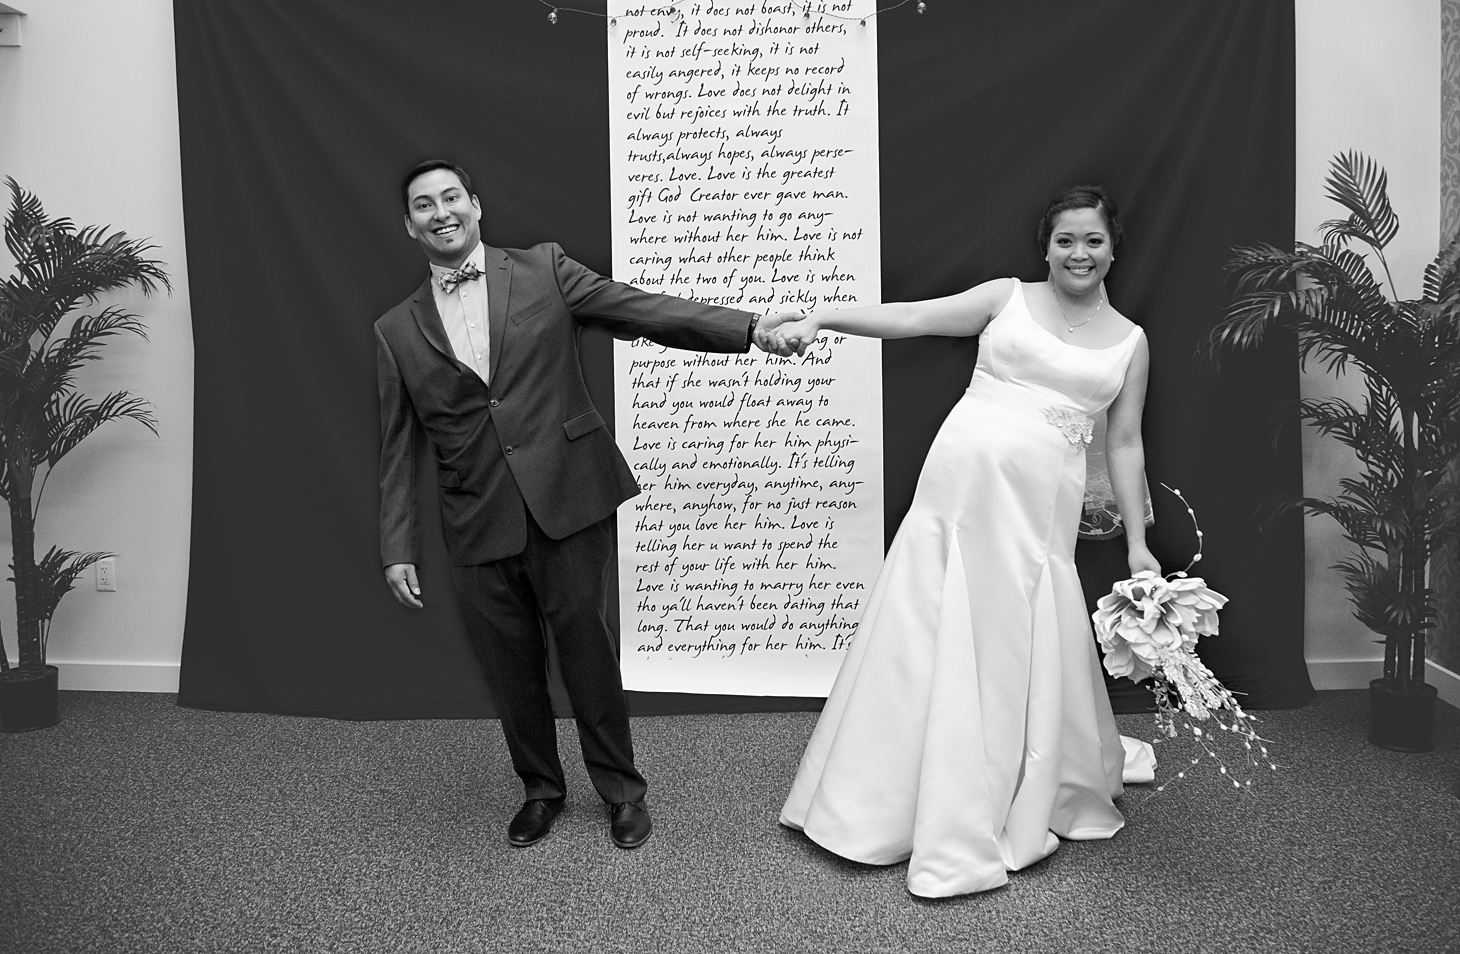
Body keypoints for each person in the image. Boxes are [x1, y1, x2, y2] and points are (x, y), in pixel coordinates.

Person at [376, 159, 785, 850]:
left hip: (567, 497)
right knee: (510, 668)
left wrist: (748, 328)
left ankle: (622, 791)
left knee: (587, 652)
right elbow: (396, 445)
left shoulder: (543, 268)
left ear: (476, 205)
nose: (441, 212)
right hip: (475, 517)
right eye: (424, 205)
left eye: (451, 197)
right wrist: (396, 546)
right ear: (410, 225)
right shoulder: (395, 329)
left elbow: (640, 309)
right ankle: (541, 790)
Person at [764, 186, 1160, 897]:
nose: (1079, 253)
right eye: (1066, 240)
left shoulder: (1131, 342)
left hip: (1036, 512)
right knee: (926, 620)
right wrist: (823, 317)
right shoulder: (1005, 298)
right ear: (1046, 247)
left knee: (1011, 631)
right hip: (955, 493)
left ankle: (1004, 784)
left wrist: (1139, 544)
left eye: (1093, 241)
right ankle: (882, 792)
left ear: (1113, 248)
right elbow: (914, 317)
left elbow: (1125, 443)